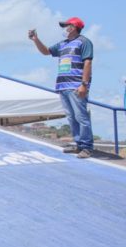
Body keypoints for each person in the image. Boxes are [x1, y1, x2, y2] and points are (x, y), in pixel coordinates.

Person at [29, 17, 94, 158]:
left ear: (74, 27)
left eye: (67, 26)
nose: (65, 28)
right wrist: (35, 40)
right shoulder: (63, 44)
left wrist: (84, 84)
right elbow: (46, 51)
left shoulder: (84, 42)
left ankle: (87, 147)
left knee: (81, 116)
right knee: (71, 117)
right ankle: (79, 145)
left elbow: (88, 63)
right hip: (63, 86)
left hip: (76, 85)